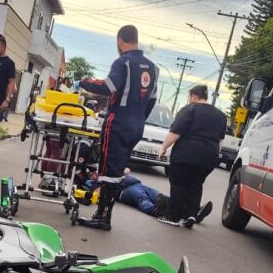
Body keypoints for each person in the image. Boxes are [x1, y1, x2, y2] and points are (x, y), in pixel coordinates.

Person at [75, 25, 158, 231]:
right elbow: (152, 100)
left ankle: (102, 217)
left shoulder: (123, 62)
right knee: (118, 170)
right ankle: (103, 215)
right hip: (137, 124)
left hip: (118, 122)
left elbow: (107, 87)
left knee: (109, 170)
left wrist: (83, 82)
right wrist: (138, 118)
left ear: (121, 40)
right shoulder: (153, 68)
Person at [158, 85, 224, 228]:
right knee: (196, 184)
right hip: (209, 157)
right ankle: (191, 215)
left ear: (194, 96)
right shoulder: (220, 115)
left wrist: (164, 148)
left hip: (186, 153)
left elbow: (176, 132)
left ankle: (173, 216)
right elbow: (220, 141)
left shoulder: (190, 109)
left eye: (189, 97)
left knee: (178, 184)